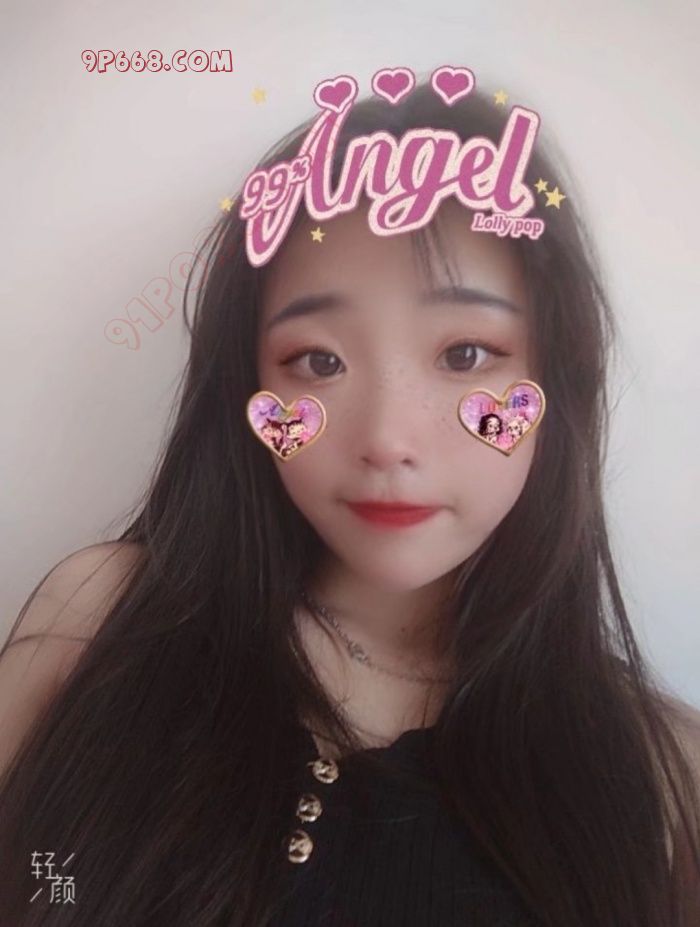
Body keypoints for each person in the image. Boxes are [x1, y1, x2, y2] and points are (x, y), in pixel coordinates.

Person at [1, 78, 699, 927]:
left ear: (558, 377)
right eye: (319, 361)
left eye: (466, 353)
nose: (387, 439)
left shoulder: (662, 775)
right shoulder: (99, 620)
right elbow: (40, 877)